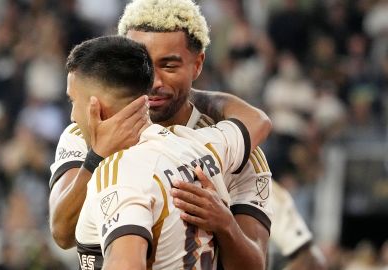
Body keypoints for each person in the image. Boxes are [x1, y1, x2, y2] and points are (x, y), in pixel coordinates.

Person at [49, 0, 325, 269]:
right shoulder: (81, 133)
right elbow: (62, 233)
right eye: (141, 65)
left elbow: (256, 265)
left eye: (169, 66)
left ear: (198, 64)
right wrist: (96, 157)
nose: (153, 81)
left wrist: (226, 225)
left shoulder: (242, 153)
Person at [67, 35, 272, 269]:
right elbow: (257, 121)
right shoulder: (200, 143)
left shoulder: (119, 172)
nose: (73, 115)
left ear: (96, 106)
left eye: (73, 101)